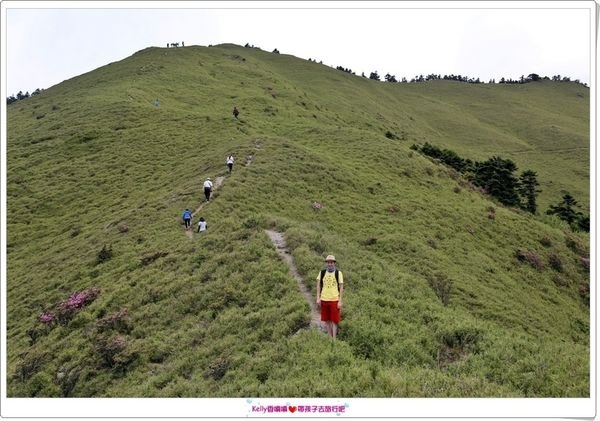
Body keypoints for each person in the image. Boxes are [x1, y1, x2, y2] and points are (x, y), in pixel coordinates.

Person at [316, 254, 344, 340]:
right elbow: (318, 286)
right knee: (327, 319)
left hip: (334, 299)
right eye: (328, 262)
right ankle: (329, 337)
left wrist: (340, 301)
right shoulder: (322, 272)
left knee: (334, 320)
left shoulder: (338, 273)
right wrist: (318, 298)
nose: (330, 264)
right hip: (324, 299)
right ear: (326, 263)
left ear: (334, 263)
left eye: (331, 262)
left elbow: (341, 287)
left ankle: (334, 339)